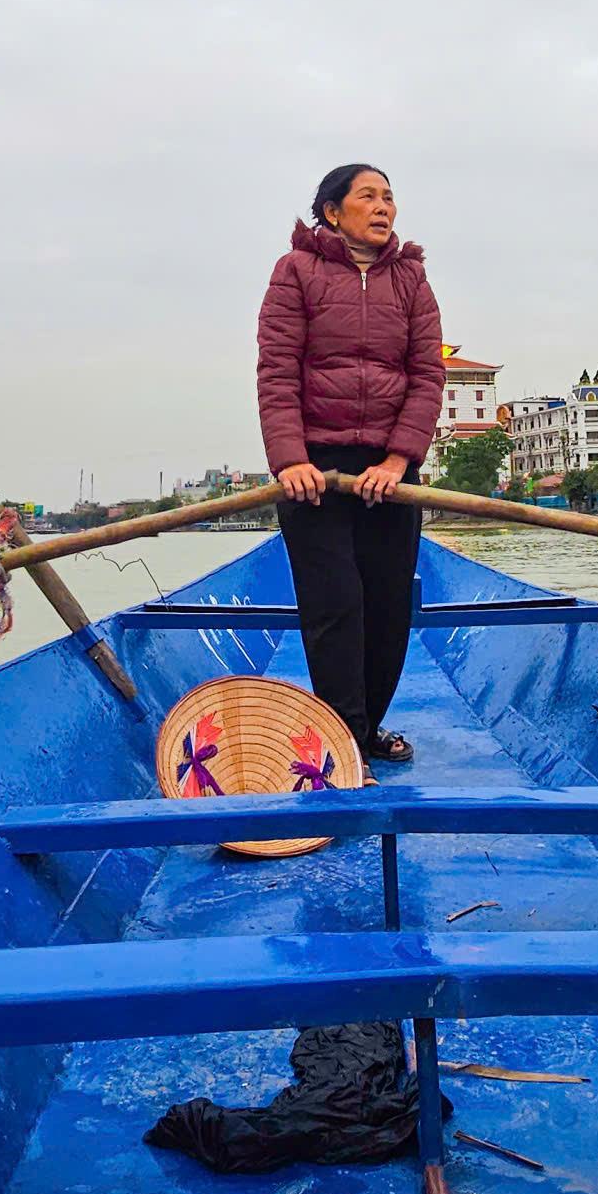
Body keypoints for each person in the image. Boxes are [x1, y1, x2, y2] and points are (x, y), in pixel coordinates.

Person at [257, 163, 444, 769]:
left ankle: (366, 729)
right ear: (333, 212)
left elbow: (427, 375)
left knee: (388, 605)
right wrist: (291, 460)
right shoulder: (296, 271)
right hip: (315, 471)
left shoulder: (412, 278)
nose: (383, 206)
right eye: (368, 196)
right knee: (335, 604)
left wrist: (397, 460)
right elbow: (278, 372)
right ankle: (342, 740)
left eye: (389, 196)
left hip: (389, 475)